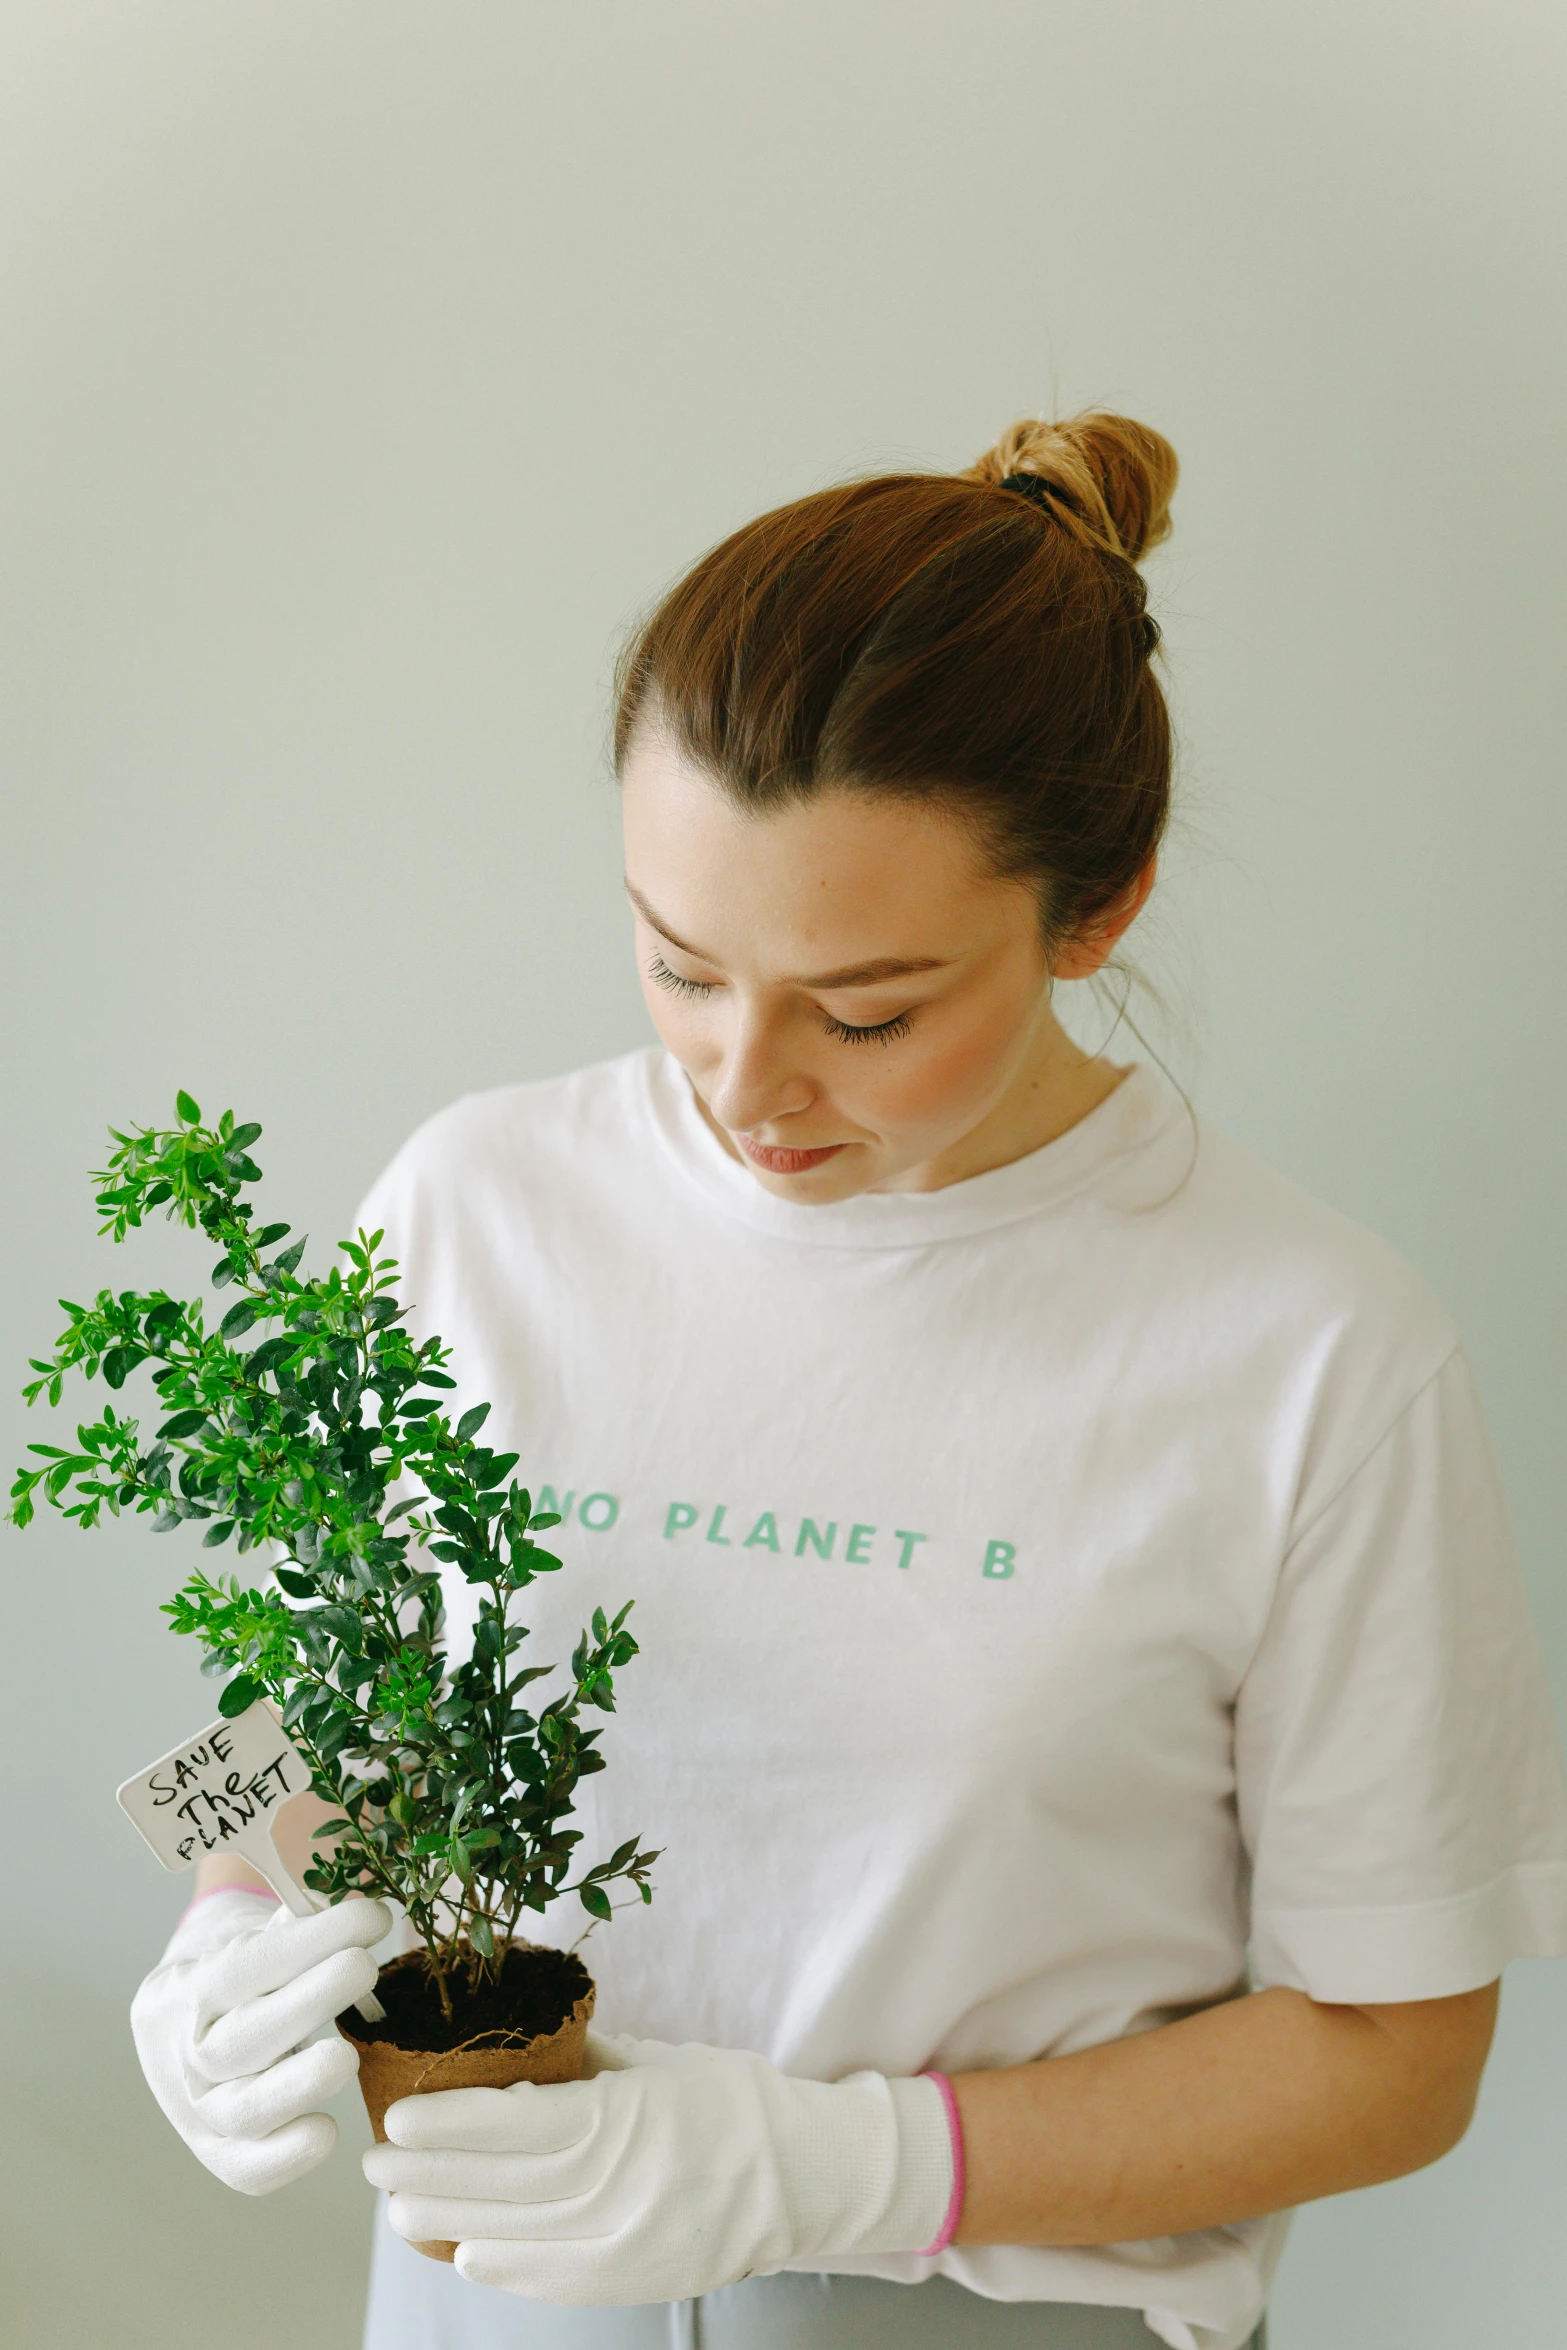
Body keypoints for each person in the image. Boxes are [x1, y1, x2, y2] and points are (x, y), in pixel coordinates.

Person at [129, 413, 1567, 2350]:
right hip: (479, 2302)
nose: (739, 1082)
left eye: (866, 1010)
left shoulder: (1314, 1357)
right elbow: (304, 1731)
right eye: (678, 963)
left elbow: (1400, 2047)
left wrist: (853, 2161)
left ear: (1104, 900)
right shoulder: (477, 1208)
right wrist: (221, 1925)